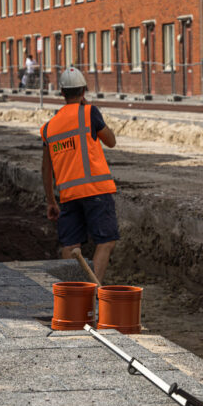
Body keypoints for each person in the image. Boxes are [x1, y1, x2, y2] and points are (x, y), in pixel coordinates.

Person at [40, 67, 119, 283]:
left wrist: (50, 200)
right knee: (106, 241)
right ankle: (94, 288)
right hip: (96, 191)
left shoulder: (49, 128)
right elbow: (111, 141)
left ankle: (74, 293)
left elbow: (46, 170)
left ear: (62, 94)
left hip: (68, 195)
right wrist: (90, 110)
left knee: (70, 246)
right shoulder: (89, 113)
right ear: (84, 90)